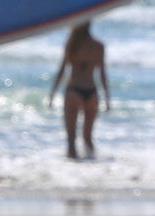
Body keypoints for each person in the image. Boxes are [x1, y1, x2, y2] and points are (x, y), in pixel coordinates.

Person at [47, 21, 110, 159]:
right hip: (92, 91)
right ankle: (93, 169)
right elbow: (102, 74)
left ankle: (72, 175)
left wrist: (52, 94)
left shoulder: (72, 44)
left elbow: (62, 70)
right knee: (88, 137)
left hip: (73, 90)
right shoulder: (98, 46)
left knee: (71, 139)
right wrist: (107, 98)